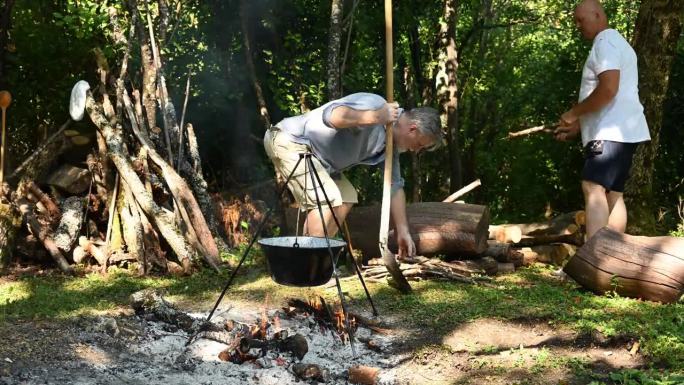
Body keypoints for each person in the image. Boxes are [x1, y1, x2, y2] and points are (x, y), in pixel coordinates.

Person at [264, 93, 442, 258]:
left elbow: (394, 186)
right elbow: (332, 115)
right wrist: (377, 116)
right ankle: (308, 265)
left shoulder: (390, 147)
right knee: (328, 198)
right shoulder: (376, 105)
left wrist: (402, 230)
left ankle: (314, 257)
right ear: (413, 129)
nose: (416, 150)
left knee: (346, 196)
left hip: (319, 161)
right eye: (419, 144)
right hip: (292, 141)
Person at [554, 0, 650, 239]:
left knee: (593, 187)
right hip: (625, 133)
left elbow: (608, 89)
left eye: (581, 19)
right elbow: (609, 95)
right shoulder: (618, 43)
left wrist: (574, 113)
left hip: (610, 132)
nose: (577, 25)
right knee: (614, 194)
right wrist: (578, 125)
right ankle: (614, 260)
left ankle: (594, 260)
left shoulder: (605, 42)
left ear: (597, 15)